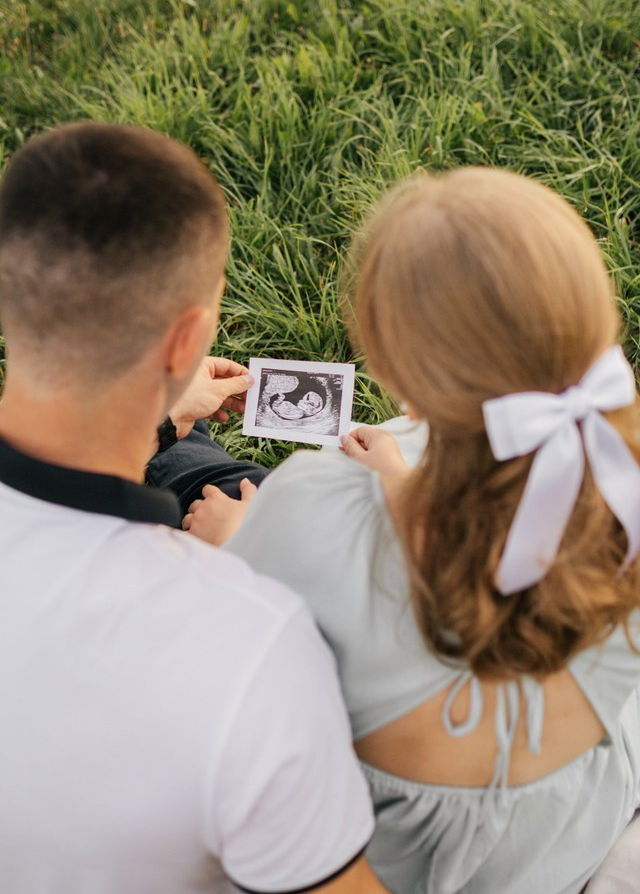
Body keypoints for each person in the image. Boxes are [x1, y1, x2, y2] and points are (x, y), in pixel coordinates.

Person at [183, 168, 640, 894]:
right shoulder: (619, 488)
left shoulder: (310, 509)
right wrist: (400, 482)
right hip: (564, 834)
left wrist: (235, 545)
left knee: (192, 475)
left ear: (394, 369)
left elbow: (235, 654)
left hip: (400, 860)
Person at [0, 122, 387, 894]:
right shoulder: (253, 640)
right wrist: (251, 559)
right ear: (190, 339)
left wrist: (162, 420)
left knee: (189, 456)